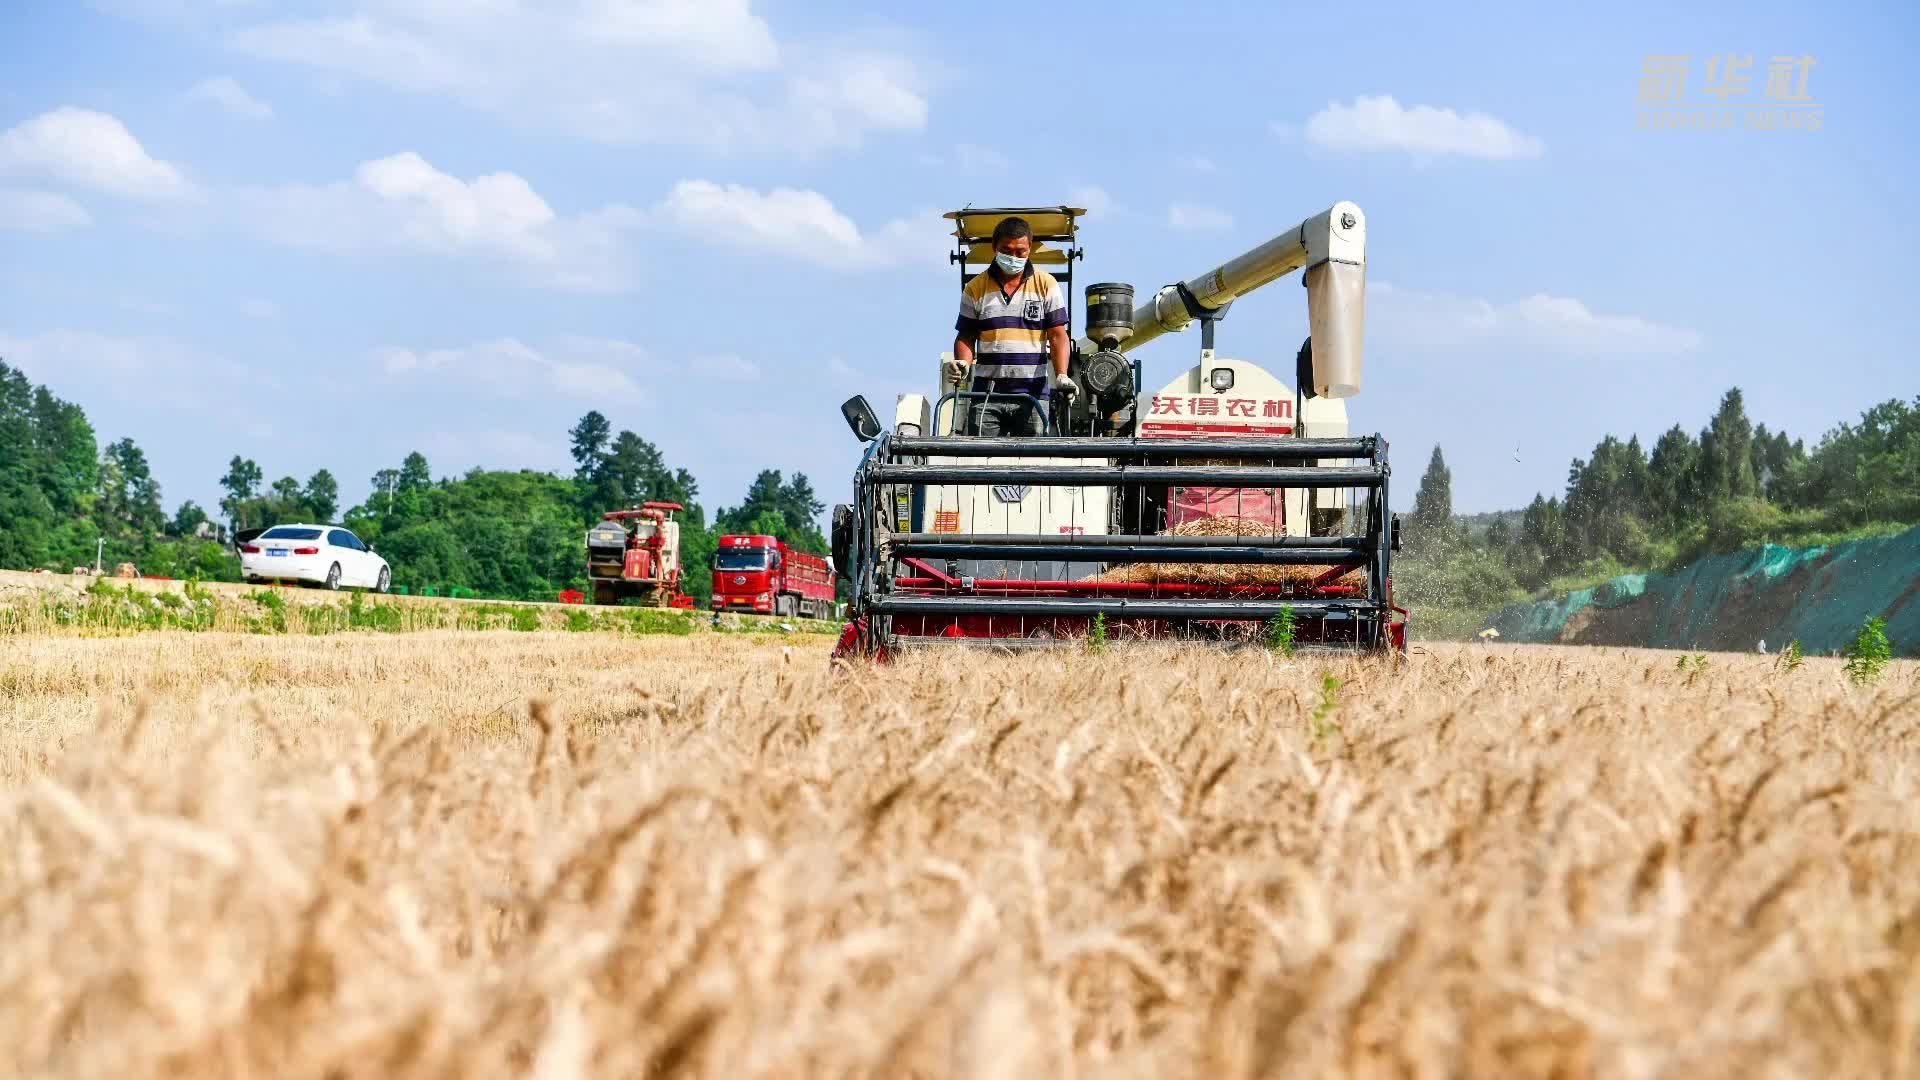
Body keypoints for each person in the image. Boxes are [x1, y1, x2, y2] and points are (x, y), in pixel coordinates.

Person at [948, 216, 1076, 435]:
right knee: (980, 463)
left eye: (1020, 252)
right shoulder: (974, 288)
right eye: (1007, 251)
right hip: (986, 396)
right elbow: (966, 336)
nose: (1014, 257)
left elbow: (1057, 335)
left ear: (1029, 250)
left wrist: (1062, 375)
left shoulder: (1046, 284)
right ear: (994, 248)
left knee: (1033, 465)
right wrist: (962, 363)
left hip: (1032, 396)